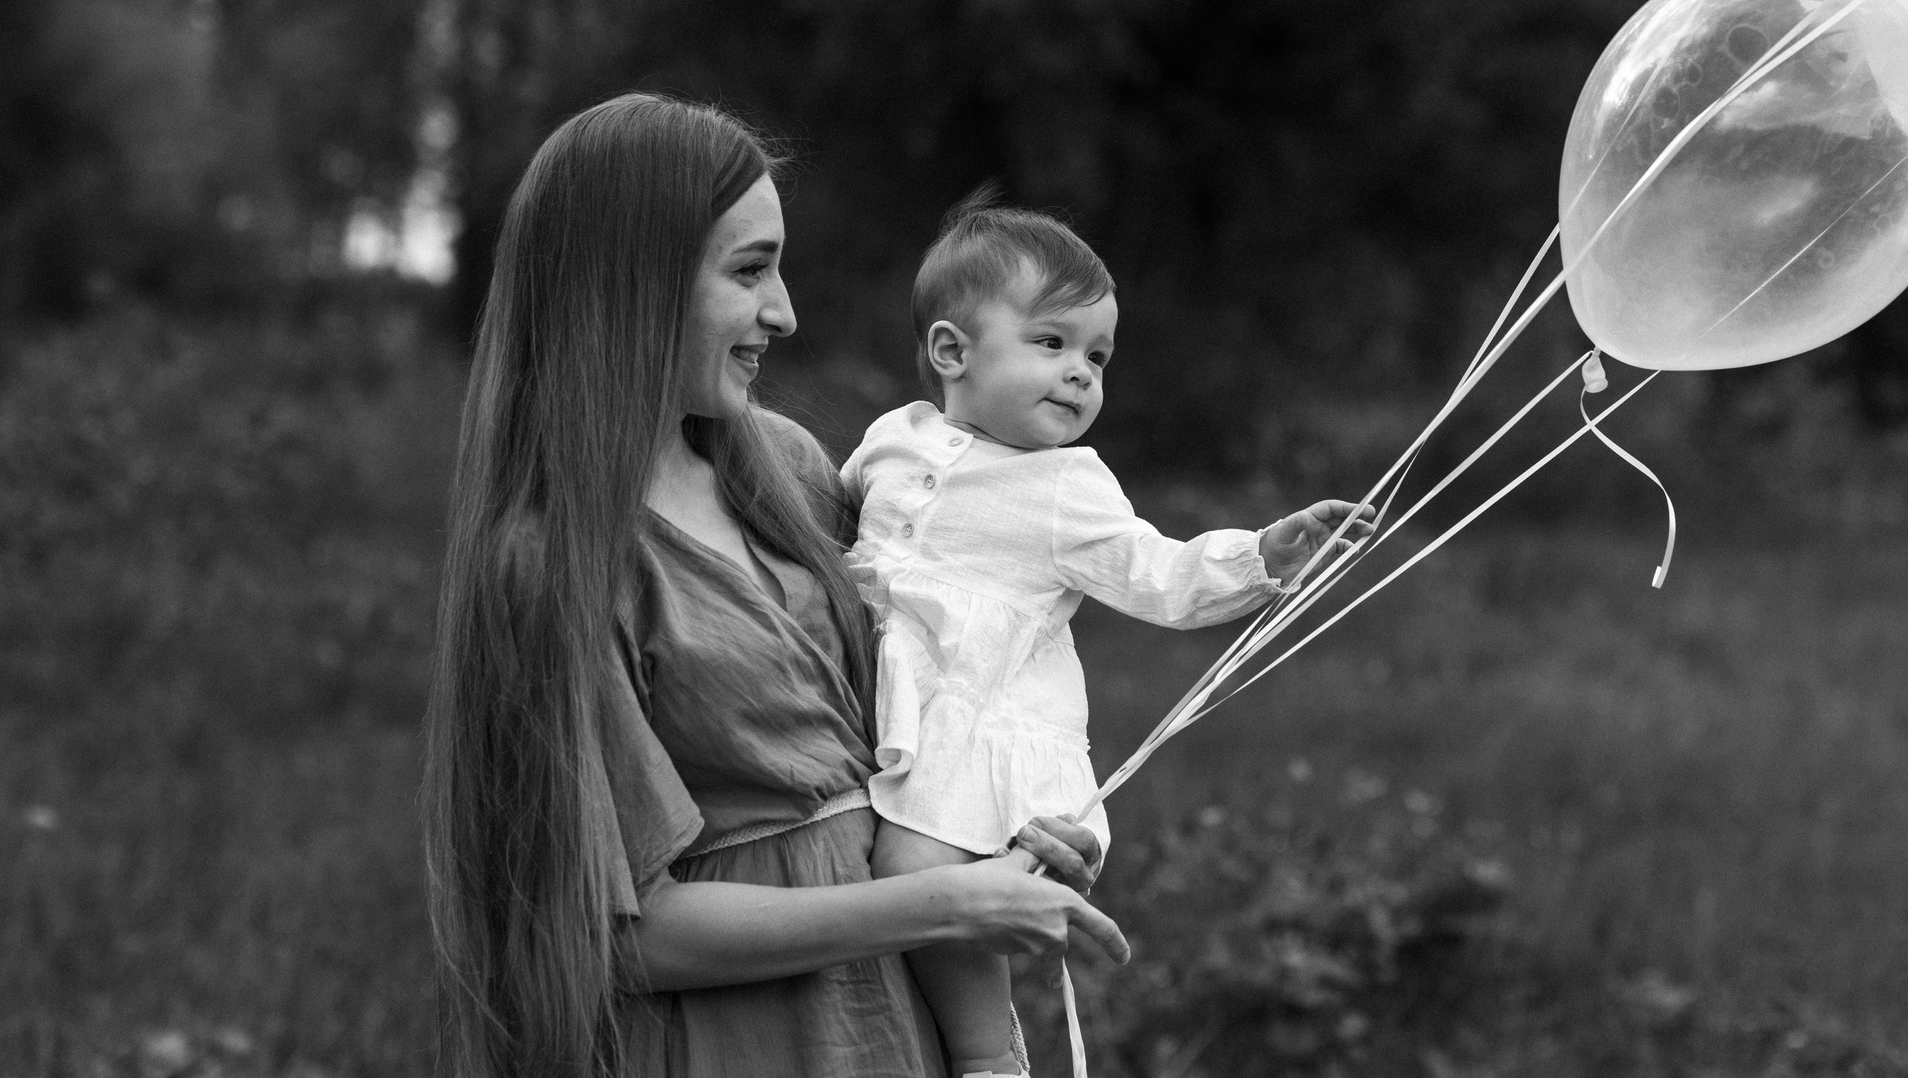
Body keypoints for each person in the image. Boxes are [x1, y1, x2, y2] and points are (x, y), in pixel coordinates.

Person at [421, 94, 1126, 1078]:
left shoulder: (789, 469)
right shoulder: (550, 566)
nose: (784, 312)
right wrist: (947, 905)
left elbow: (918, 700)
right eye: (749, 270)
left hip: (888, 1025)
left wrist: (997, 833)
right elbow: (621, 935)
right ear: (634, 279)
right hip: (728, 1044)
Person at [845, 189, 1367, 1077]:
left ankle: (990, 1056)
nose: (1083, 372)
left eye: (1098, 354)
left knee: (915, 861)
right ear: (951, 350)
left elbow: (1158, 574)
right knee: (877, 871)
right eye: (1051, 343)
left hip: (975, 734)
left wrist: (1260, 554)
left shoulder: (1067, 485)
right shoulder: (896, 437)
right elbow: (835, 516)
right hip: (888, 697)